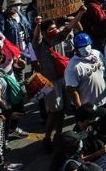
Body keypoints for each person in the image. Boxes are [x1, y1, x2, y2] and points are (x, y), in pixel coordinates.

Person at [32, 8, 86, 152]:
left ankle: (58, 135)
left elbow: (70, 27)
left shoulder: (58, 38)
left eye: (55, 28)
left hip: (63, 78)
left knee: (61, 110)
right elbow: (36, 36)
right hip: (51, 82)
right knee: (53, 111)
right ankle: (47, 138)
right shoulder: (39, 45)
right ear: (44, 33)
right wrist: (38, 24)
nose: (54, 30)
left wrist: (80, 13)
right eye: (50, 29)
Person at [64, 33, 106, 109]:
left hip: (104, 99)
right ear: (76, 48)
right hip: (88, 106)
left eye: (87, 44)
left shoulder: (97, 53)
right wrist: (80, 109)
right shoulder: (73, 67)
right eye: (82, 46)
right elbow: (71, 90)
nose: (86, 48)